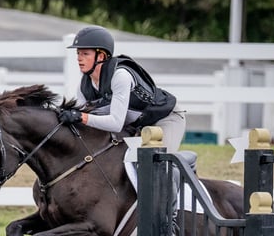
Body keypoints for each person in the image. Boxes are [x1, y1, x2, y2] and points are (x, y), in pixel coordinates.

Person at [58, 25, 186, 153]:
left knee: (158, 163)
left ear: (101, 56)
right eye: (78, 53)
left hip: (165, 118)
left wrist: (80, 117)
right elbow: (84, 120)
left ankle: (184, 167)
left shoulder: (120, 76)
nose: (79, 58)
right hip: (136, 125)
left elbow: (115, 123)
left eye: (85, 54)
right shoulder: (84, 85)